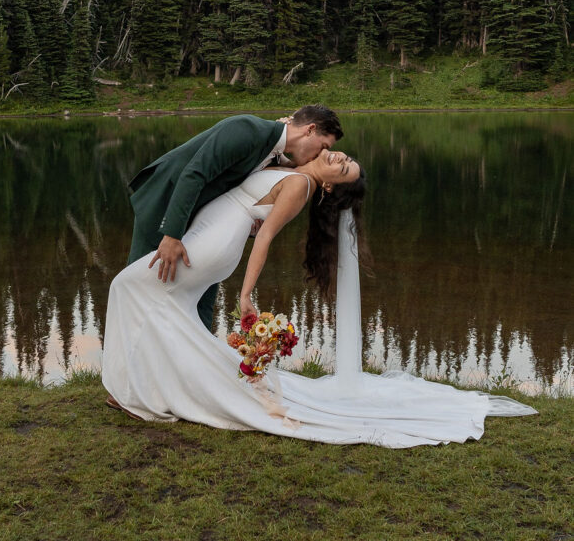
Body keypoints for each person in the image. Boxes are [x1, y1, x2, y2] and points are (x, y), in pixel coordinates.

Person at [102, 151, 537, 446]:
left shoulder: (300, 187)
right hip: (215, 238)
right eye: (345, 157)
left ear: (330, 189)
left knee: (127, 288)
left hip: (213, 247)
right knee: (158, 308)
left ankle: (139, 391)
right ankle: (144, 388)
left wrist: (248, 292)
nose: (341, 158)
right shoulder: (294, 170)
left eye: (344, 168)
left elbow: (266, 238)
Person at [125, 105, 342, 330]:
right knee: (136, 289)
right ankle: (131, 360)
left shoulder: (273, 151)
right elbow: (194, 174)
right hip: (165, 204)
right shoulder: (246, 129)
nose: (320, 154)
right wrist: (171, 234)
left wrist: (250, 223)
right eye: (323, 146)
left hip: (203, 226)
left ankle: (196, 363)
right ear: (310, 130)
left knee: (201, 307)